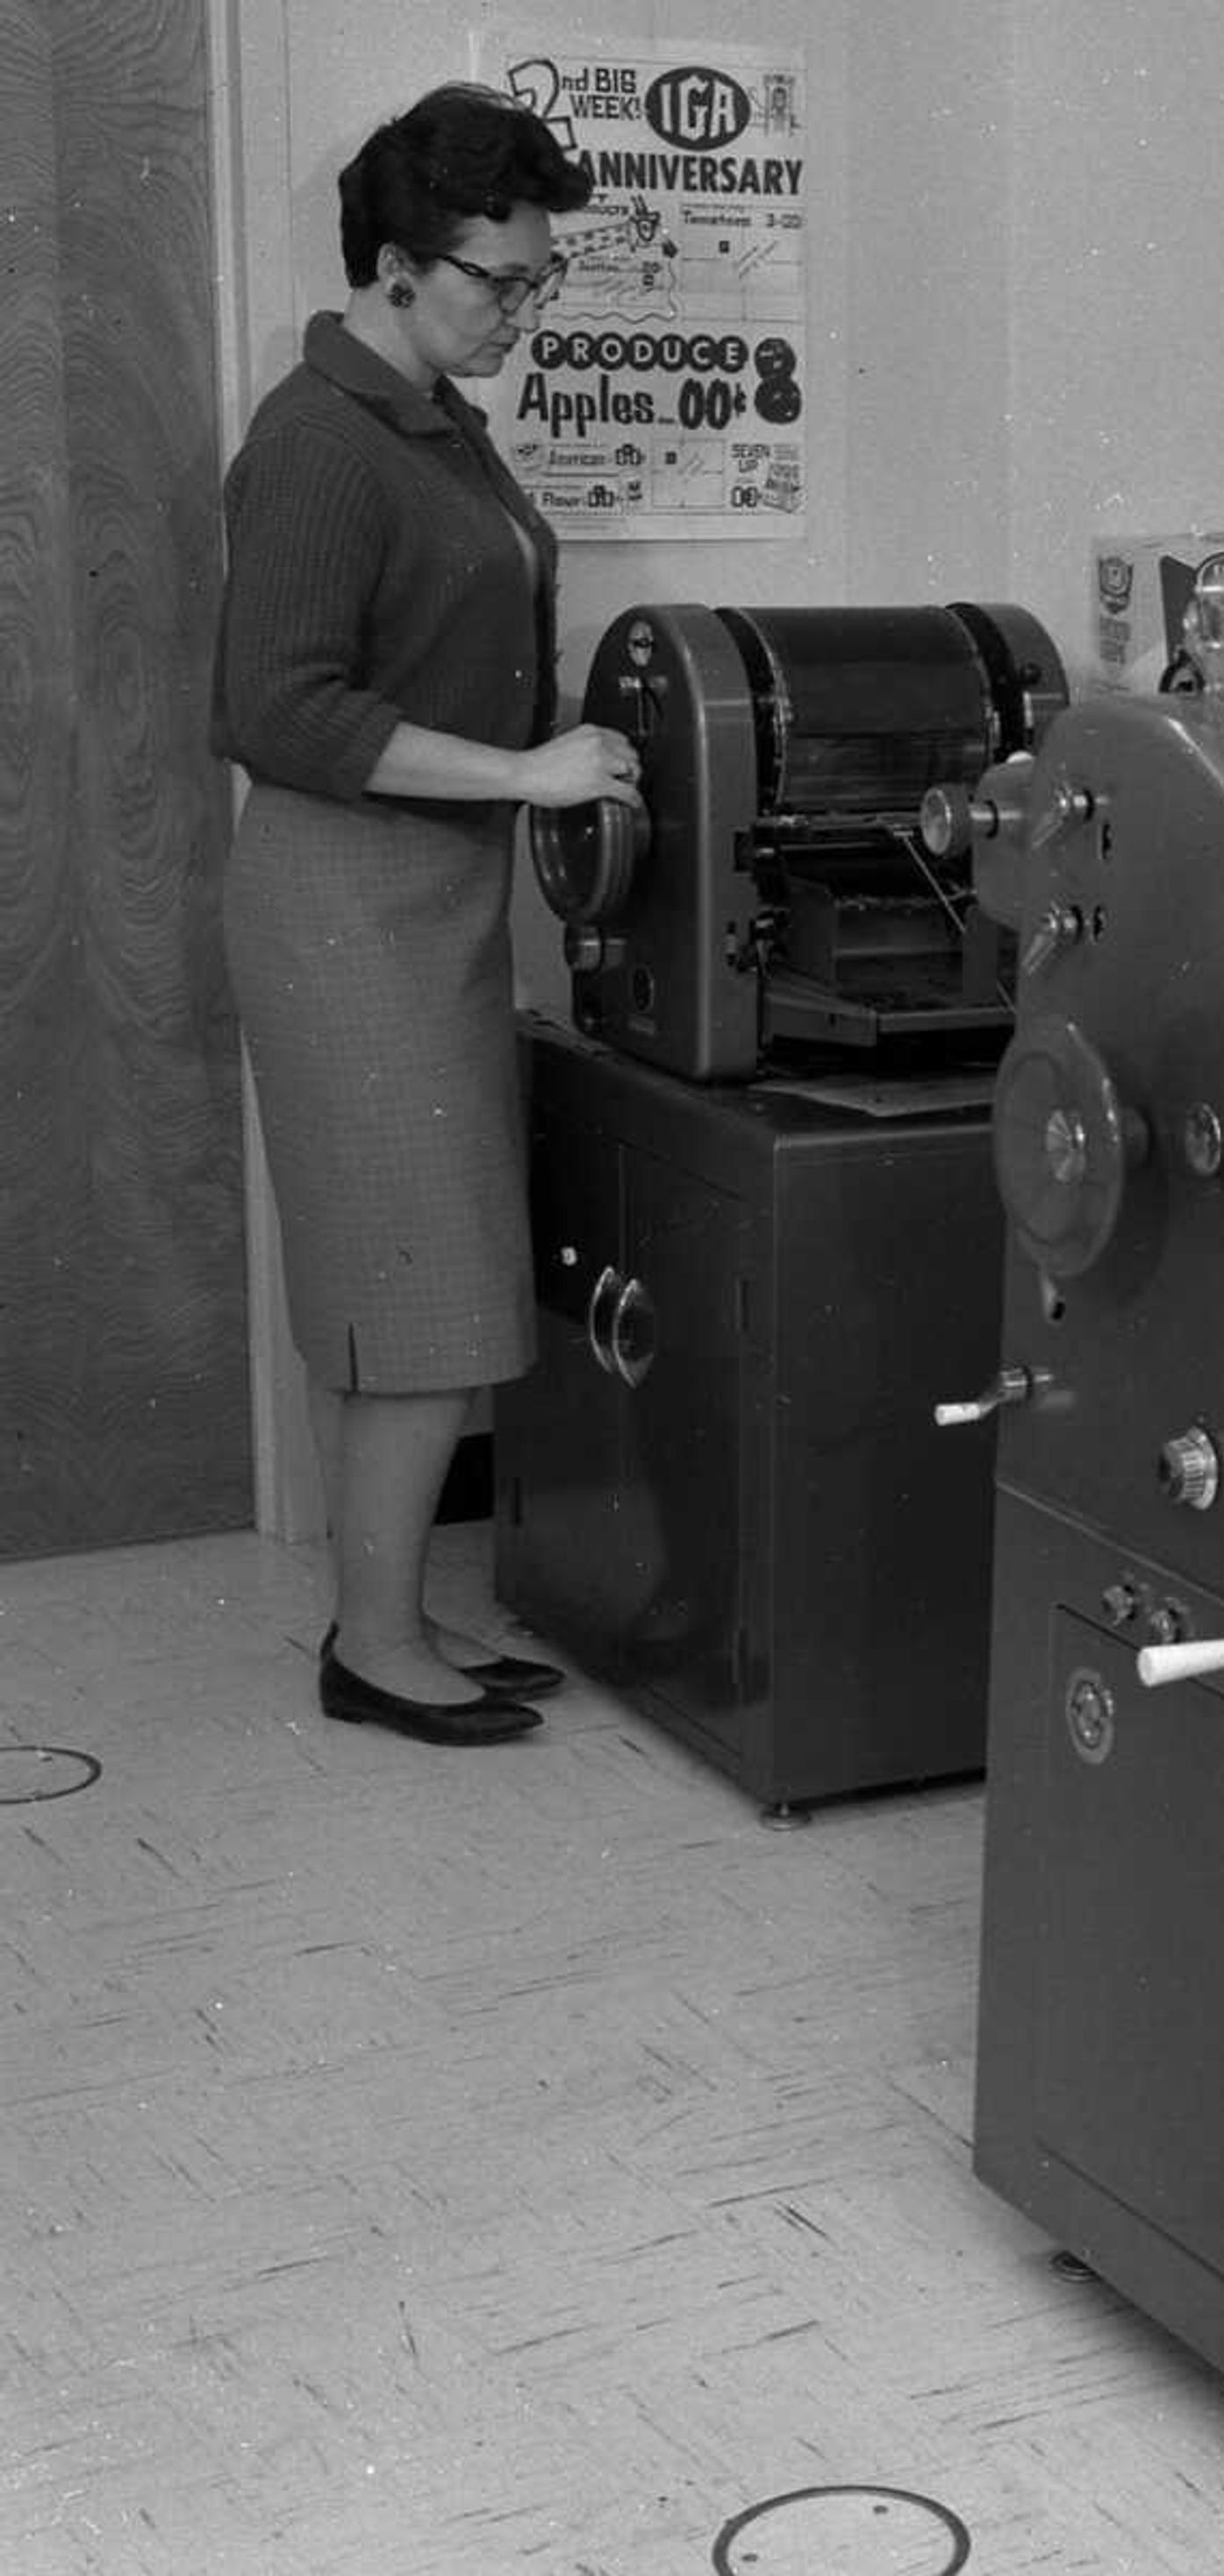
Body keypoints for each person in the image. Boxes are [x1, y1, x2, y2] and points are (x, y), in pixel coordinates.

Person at [216, 84, 643, 1747]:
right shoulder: (320, 439)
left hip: (423, 882)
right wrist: (530, 774)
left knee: (406, 1281)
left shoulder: (431, 412)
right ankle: (378, 1648)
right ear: (395, 265)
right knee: (414, 1288)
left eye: (541, 283)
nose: (523, 315)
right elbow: (280, 706)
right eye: (500, 283)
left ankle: (381, 1613)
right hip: (344, 887)